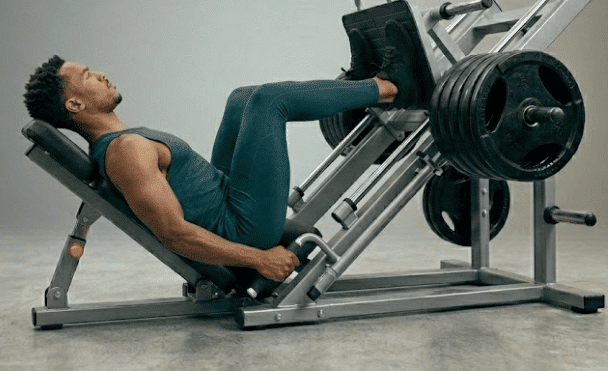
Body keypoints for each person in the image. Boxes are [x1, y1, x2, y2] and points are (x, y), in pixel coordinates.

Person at [23, 26, 427, 282]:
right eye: (86, 76)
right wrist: (258, 259)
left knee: (241, 99)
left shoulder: (123, 142)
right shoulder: (124, 153)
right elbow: (173, 233)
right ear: (75, 105)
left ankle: (359, 82)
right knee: (270, 100)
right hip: (243, 226)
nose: (99, 74)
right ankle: (391, 86)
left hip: (227, 198)